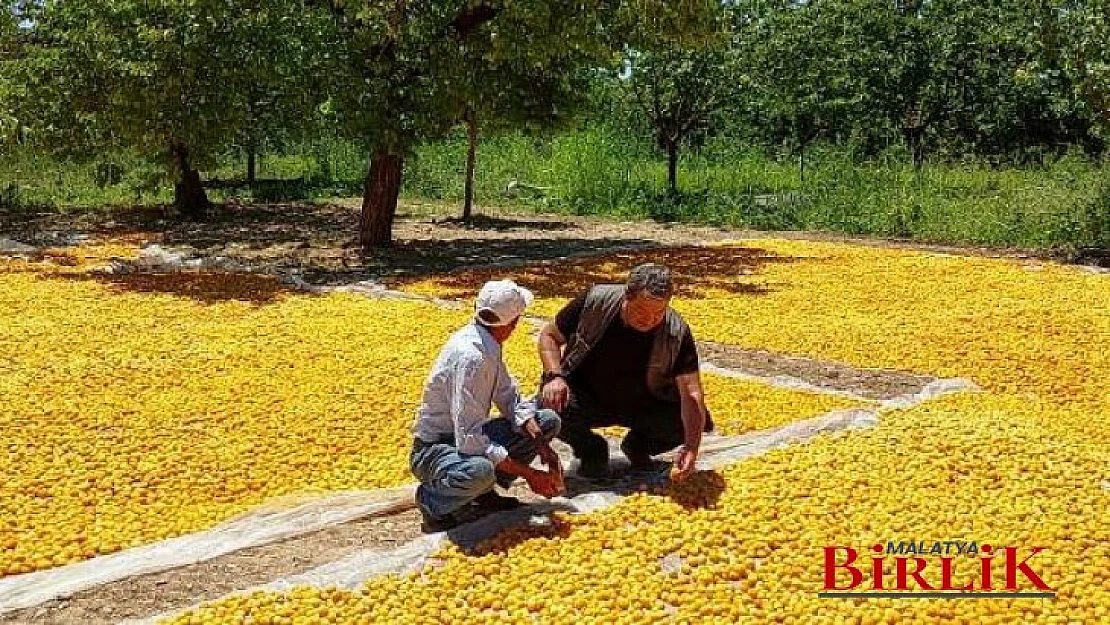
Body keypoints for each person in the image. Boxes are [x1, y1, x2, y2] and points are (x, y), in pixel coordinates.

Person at [411, 279, 564, 532]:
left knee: (546, 421)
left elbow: (508, 396)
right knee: (479, 470)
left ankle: (481, 494)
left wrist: (541, 443)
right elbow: (470, 440)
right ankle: (432, 502)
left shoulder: (487, 343)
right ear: (513, 323)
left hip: (462, 439)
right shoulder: (472, 357)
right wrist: (530, 474)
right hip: (433, 450)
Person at [537, 263, 714, 480]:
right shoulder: (596, 302)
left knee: (694, 419)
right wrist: (554, 376)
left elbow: (692, 394)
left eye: (658, 313)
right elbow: (549, 336)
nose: (649, 320)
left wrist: (691, 448)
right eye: (641, 311)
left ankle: (638, 447)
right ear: (626, 295)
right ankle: (591, 450)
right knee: (549, 405)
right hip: (586, 398)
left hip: (642, 404)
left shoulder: (676, 331)